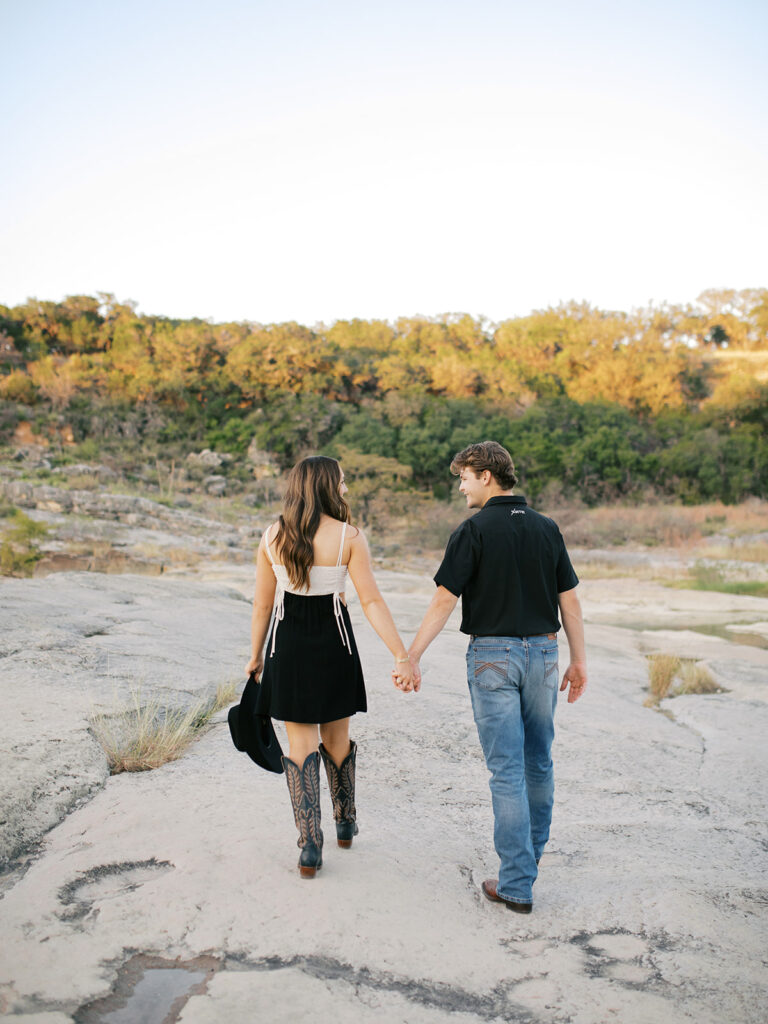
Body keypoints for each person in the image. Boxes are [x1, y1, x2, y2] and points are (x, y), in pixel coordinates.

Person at [397, 441, 587, 913]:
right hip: (544, 654)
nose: (460, 485)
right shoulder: (547, 528)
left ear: (486, 475)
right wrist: (578, 660)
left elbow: (445, 600)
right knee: (538, 761)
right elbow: (570, 601)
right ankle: (526, 868)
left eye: (463, 476)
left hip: (492, 656)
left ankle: (517, 883)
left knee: (507, 771)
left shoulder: (473, 530)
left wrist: (411, 656)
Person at [246, 455, 414, 878]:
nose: (345, 487)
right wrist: (400, 653)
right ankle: (345, 821)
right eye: (341, 481)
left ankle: (309, 846)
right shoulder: (348, 537)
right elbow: (371, 601)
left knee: (298, 746)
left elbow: (263, 603)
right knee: (337, 737)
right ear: (324, 485)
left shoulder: (271, 537)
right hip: (335, 644)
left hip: (286, 648)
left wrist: (255, 655)